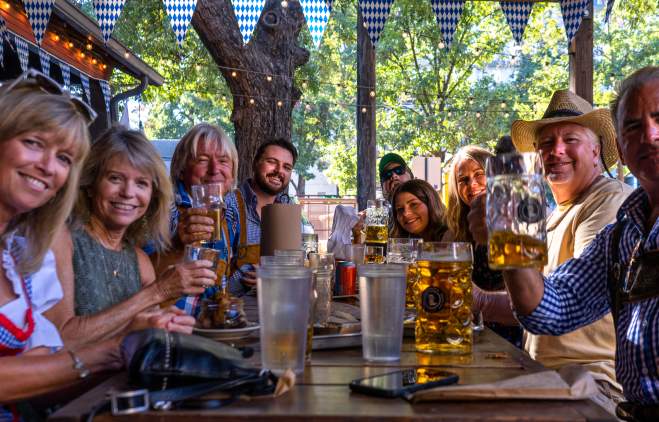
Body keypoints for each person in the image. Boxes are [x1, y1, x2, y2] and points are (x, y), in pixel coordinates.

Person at [469, 87, 637, 414]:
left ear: (596, 150)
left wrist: (505, 239)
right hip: (544, 375)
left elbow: (574, 305)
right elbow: (540, 302)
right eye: (546, 143)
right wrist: (472, 298)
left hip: (594, 382)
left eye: (570, 139)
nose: (556, 150)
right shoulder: (549, 214)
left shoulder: (611, 200)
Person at [0, 70, 121, 409]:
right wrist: (107, 354)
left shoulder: (17, 258)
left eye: (64, 158)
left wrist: (136, 342)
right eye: (34, 143)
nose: (48, 167)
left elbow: (37, 387)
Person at [46, 127, 210, 350]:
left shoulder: (140, 261)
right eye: (115, 178)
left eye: (141, 183)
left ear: (153, 195)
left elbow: (143, 340)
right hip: (76, 384)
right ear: (91, 185)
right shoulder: (63, 241)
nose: (128, 193)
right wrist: (157, 292)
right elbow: (61, 340)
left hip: (122, 381)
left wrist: (166, 323)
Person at [153, 123, 239, 312]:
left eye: (223, 161)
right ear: (182, 168)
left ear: (232, 174)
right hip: (170, 331)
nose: (214, 169)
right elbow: (138, 278)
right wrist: (177, 247)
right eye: (202, 160)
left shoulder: (230, 216)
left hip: (209, 329)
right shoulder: (161, 209)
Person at [446, 145, 522, 347]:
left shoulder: (517, 221)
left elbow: (528, 305)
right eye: (463, 180)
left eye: (480, 174)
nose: (472, 185)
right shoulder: (458, 230)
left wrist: (476, 299)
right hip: (469, 337)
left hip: (510, 343)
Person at [227, 138, 297, 296]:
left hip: (278, 306)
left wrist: (276, 276)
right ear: (255, 163)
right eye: (272, 162)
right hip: (235, 310)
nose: (279, 171)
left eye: (287, 167)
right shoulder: (230, 204)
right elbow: (216, 273)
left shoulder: (288, 210)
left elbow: (294, 266)